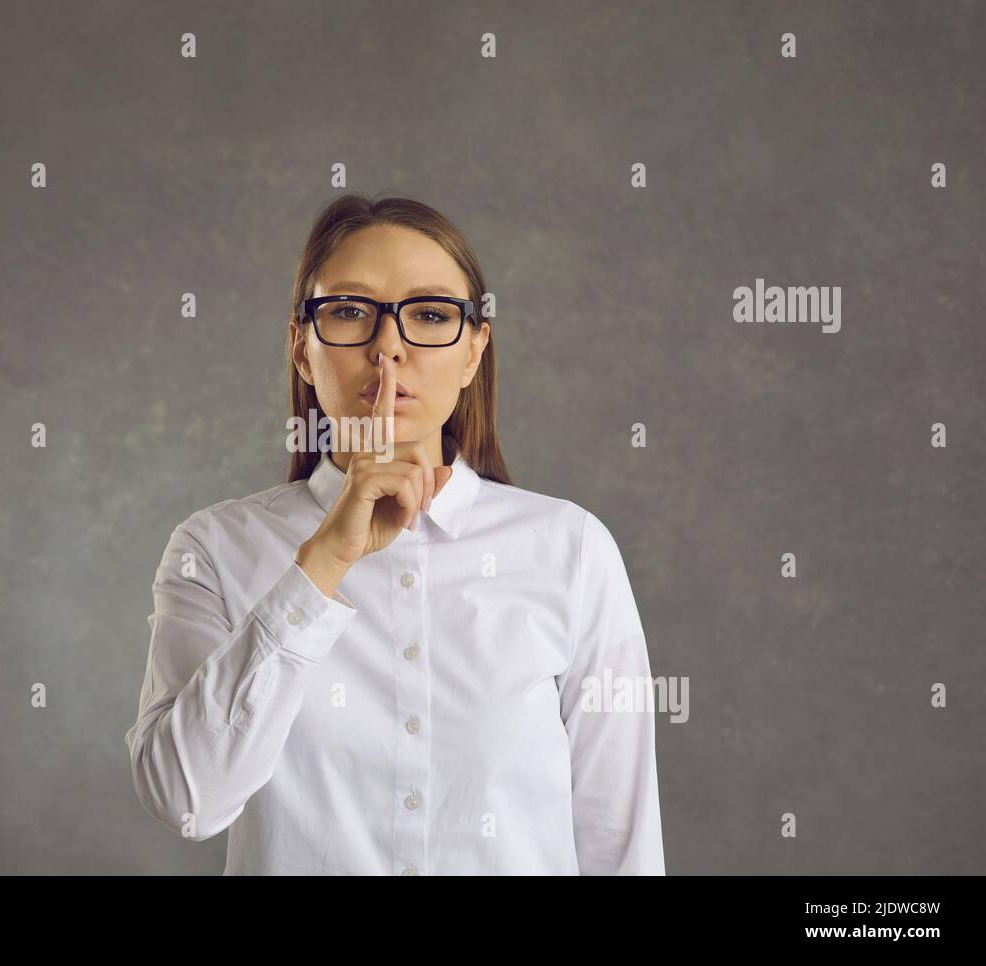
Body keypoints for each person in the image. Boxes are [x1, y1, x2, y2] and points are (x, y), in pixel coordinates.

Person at [124, 193, 666, 875]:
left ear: (473, 352)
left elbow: (620, 844)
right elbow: (187, 799)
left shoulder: (571, 550)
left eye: (430, 315)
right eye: (349, 313)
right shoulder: (215, 551)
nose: (389, 348)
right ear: (301, 347)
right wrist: (321, 565)